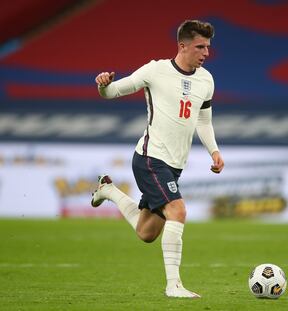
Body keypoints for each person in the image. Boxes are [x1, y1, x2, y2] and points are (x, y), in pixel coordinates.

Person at [91, 20, 224, 298]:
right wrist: (104, 85)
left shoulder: (206, 80)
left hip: (175, 166)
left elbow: (203, 120)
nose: (206, 53)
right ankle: (173, 286)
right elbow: (114, 91)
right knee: (178, 211)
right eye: (200, 47)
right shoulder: (156, 70)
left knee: (147, 232)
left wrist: (214, 150)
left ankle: (109, 190)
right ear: (182, 46)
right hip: (151, 158)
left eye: (208, 47)